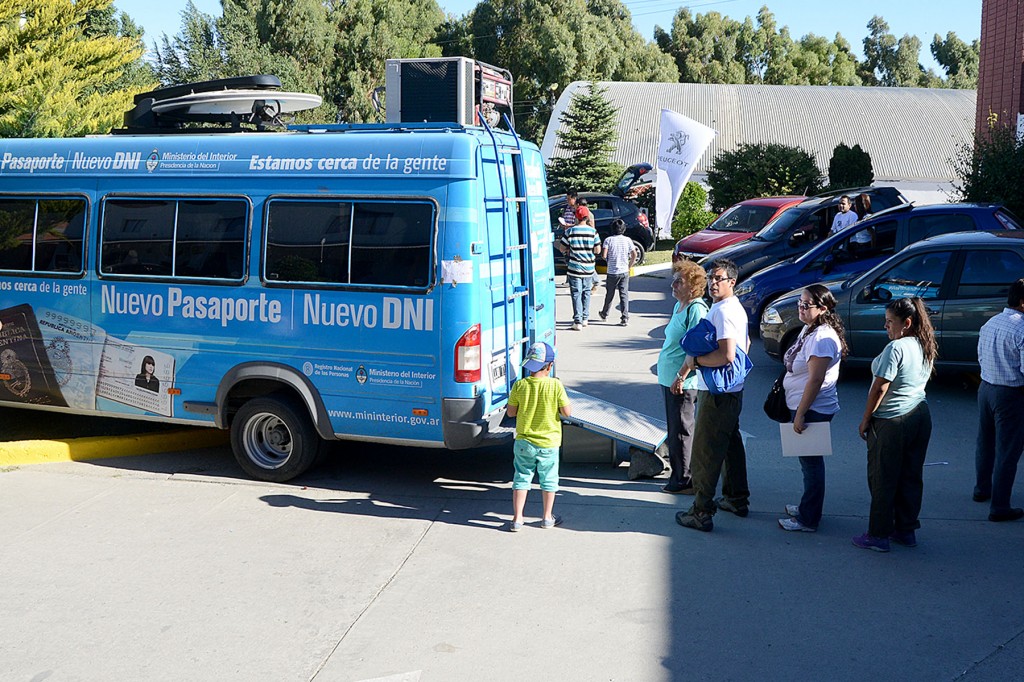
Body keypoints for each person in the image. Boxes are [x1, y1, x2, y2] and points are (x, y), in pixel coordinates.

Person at [853, 297, 937, 552]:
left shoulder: (896, 348)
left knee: (883, 478)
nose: (886, 326)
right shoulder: (924, 342)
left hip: (892, 421)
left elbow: (880, 387)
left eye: (890, 322)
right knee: (910, 476)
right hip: (919, 415)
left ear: (907, 323)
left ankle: (878, 535)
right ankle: (906, 530)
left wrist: (866, 419)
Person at [675, 258, 751, 532]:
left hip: (717, 393)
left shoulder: (724, 312)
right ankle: (736, 498)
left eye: (719, 278)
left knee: (705, 453)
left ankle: (701, 512)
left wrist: (696, 363)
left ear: (732, 281)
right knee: (730, 445)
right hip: (730, 390)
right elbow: (745, 344)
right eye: (711, 278)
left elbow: (726, 355)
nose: (713, 283)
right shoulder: (731, 307)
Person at [777, 284, 847, 533]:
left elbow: (816, 380)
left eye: (806, 305)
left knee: (812, 464)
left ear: (823, 309)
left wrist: (800, 413)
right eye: (800, 302)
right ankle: (807, 508)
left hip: (813, 409)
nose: (801, 308)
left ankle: (808, 519)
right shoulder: (811, 329)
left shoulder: (821, 338)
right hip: (804, 406)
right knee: (808, 463)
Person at [506, 342, 571, 531]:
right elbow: (567, 412)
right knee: (549, 480)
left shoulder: (520, 385)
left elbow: (511, 412)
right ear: (550, 365)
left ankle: (517, 519)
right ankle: (547, 518)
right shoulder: (555, 385)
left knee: (521, 478)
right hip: (549, 443)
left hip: (524, 442)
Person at [973, 278, 1024, 522]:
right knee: (1008, 451)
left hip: (986, 388)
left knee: (986, 442)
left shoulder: (991, 322)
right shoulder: (1022, 329)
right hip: (1010, 394)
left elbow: (981, 356)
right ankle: (1000, 506)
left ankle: (982, 489)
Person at [657, 260, 709, 494]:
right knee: (675, 428)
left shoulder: (696, 308)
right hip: (669, 378)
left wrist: (681, 376)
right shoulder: (680, 305)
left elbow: (696, 347)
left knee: (681, 431)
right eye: (674, 280)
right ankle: (679, 474)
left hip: (682, 382)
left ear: (693, 286)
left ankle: (684, 480)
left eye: (679, 281)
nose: (674, 285)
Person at [558, 205, 601, 331]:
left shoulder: (570, 231)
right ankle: (585, 318)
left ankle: (577, 321)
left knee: (576, 293)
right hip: (589, 268)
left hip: (574, 268)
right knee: (586, 292)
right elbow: (597, 250)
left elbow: (562, 248)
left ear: (576, 217)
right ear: (587, 217)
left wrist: (569, 250)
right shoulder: (593, 232)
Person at [599, 219, 638, 326]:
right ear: (623, 229)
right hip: (624, 271)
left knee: (610, 294)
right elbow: (634, 254)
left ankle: (604, 313)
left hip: (612, 271)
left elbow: (604, 255)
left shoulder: (608, 240)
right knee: (624, 294)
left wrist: (608, 260)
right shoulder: (628, 240)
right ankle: (625, 317)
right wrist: (629, 266)